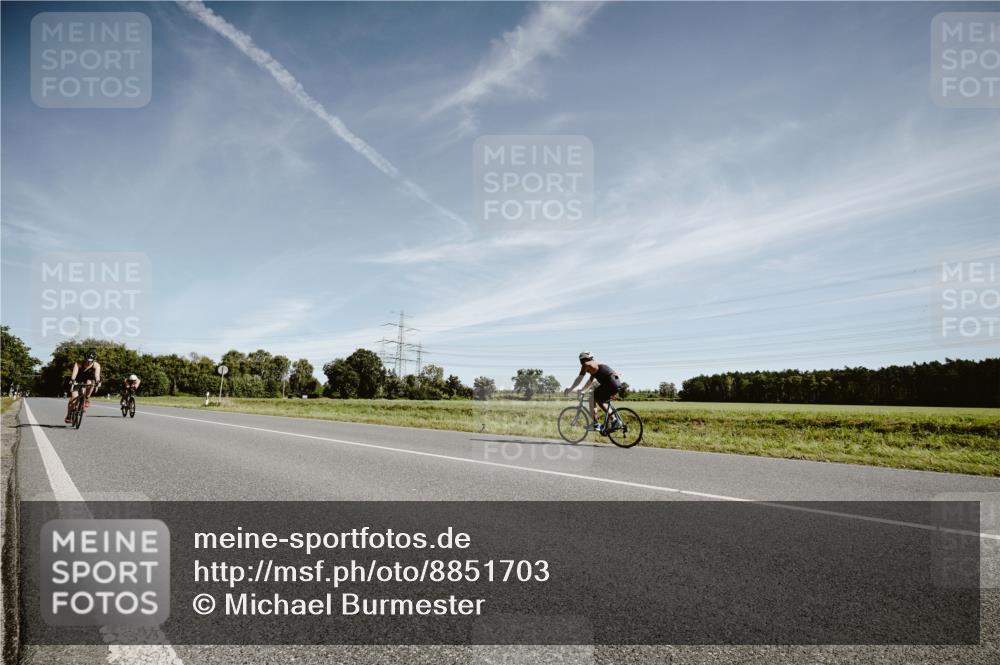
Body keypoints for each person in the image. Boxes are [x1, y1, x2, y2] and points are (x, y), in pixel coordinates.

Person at [564, 351, 623, 432]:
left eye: (581, 361)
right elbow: (590, 381)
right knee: (597, 399)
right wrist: (582, 390)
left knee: (592, 398)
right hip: (616, 383)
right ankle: (613, 420)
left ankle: (598, 423)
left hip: (610, 383)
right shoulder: (596, 364)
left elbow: (579, 378)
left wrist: (570, 389)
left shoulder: (587, 364)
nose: (581, 363)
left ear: (583, 360)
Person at [65, 349, 101, 424]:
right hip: (77, 381)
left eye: (91, 361)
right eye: (87, 360)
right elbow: (74, 373)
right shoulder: (78, 363)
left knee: (91, 382)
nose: (88, 362)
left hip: (88, 380)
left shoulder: (96, 365)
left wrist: (98, 381)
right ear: (84, 358)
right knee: (73, 400)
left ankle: (87, 398)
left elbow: (97, 375)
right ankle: (69, 415)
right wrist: (72, 380)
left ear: (94, 360)